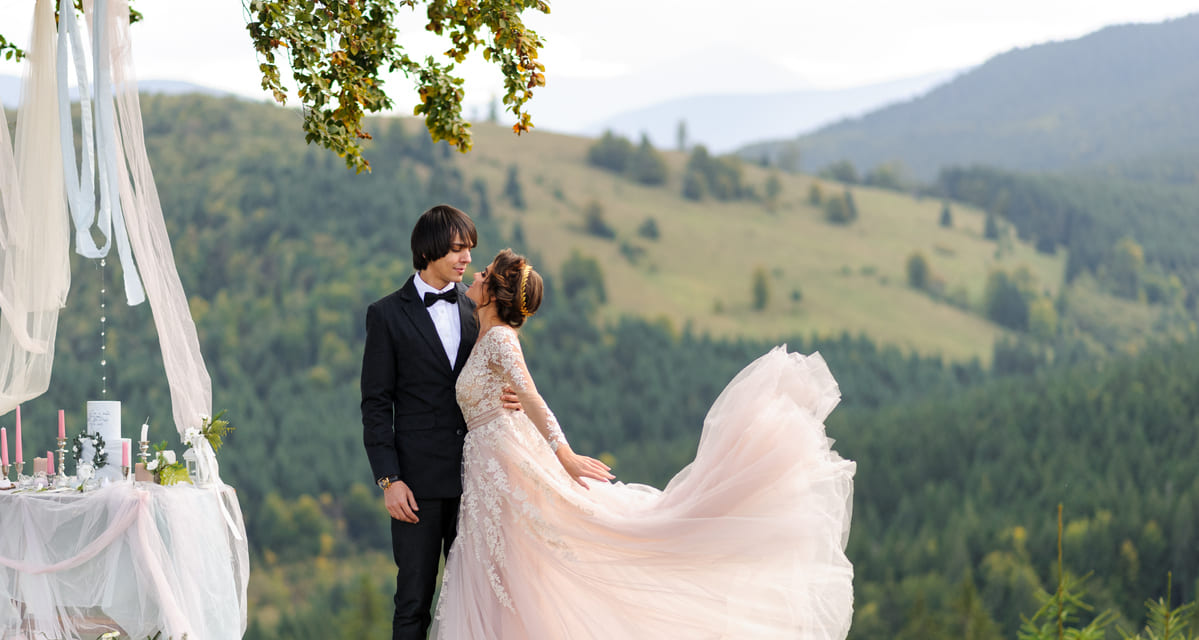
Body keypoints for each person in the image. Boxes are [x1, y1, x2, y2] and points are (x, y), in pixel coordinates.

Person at [432, 249, 856, 640]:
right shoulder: (483, 333)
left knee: (520, 571)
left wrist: (565, 457)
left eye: (484, 272)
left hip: (507, 469)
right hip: (488, 471)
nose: (476, 273)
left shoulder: (501, 339)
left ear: (494, 292)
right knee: (500, 575)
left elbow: (532, 397)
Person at [361, 205, 520, 640]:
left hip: (477, 480)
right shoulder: (386, 314)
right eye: (456, 249)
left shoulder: (478, 308)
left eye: (469, 248)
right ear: (428, 251)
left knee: (479, 598)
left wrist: (508, 399)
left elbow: (499, 370)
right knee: (413, 602)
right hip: (416, 486)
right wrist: (388, 479)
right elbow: (376, 404)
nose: (467, 258)